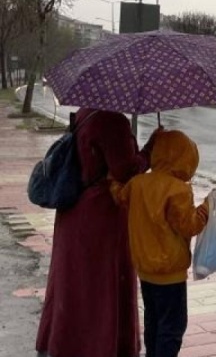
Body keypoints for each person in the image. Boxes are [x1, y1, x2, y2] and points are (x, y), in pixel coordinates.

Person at [36, 109, 158, 357]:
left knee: (74, 285)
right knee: (100, 286)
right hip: (101, 217)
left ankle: (66, 345)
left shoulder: (85, 112)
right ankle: (101, 347)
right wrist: (150, 150)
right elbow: (126, 170)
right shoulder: (112, 120)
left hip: (74, 212)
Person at [112, 129, 213, 357]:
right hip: (170, 273)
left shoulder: (138, 183)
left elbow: (120, 195)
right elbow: (189, 226)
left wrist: (111, 181)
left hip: (145, 270)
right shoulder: (178, 190)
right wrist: (207, 207)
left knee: (153, 320)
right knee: (173, 326)